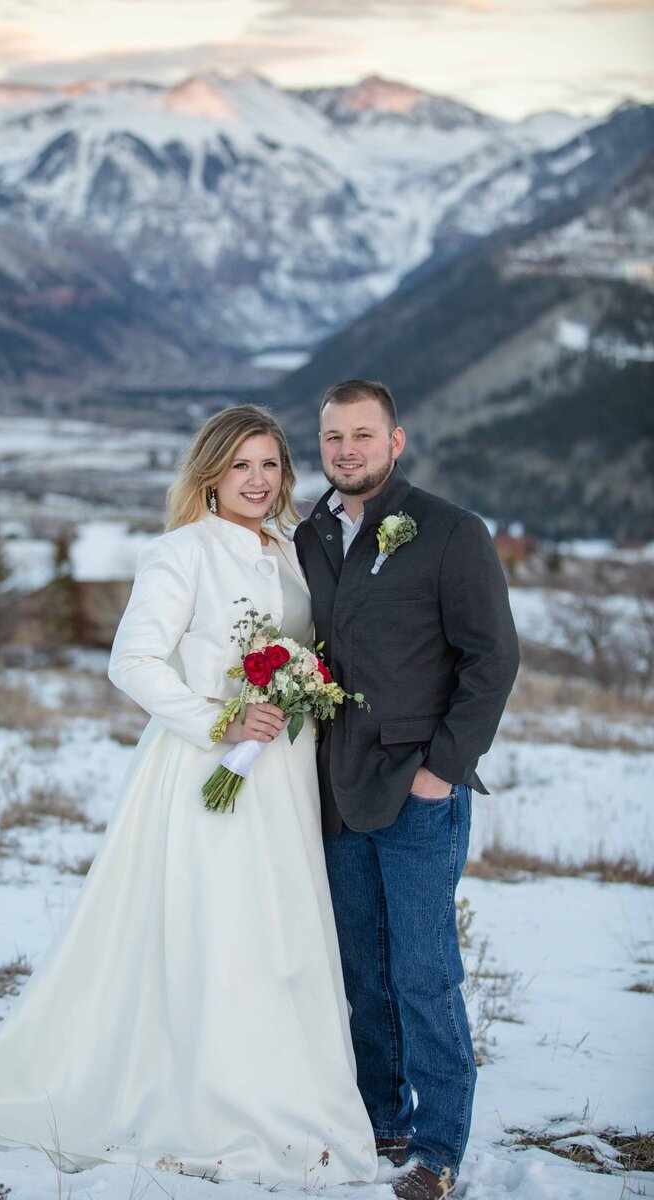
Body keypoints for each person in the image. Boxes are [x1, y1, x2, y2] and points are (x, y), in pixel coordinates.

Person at [0, 405, 378, 1188]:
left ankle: (288, 1085)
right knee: (217, 929)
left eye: (270, 465)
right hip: (210, 768)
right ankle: (204, 1089)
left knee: (282, 934)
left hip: (286, 777)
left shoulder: (293, 549)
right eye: (241, 466)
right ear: (210, 474)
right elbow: (132, 662)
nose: (258, 480)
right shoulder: (180, 552)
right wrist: (221, 719)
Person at [294, 380, 520, 1200]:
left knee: (424, 972)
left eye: (362, 435)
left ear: (396, 441)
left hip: (419, 787)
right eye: (332, 438)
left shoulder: (451, 532)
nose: (346, 450)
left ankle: (436, 1150)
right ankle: (381, 1121)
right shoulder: (309, 533)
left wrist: (442, 771)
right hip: (336, 786)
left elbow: (491, 660)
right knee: (364, 971)